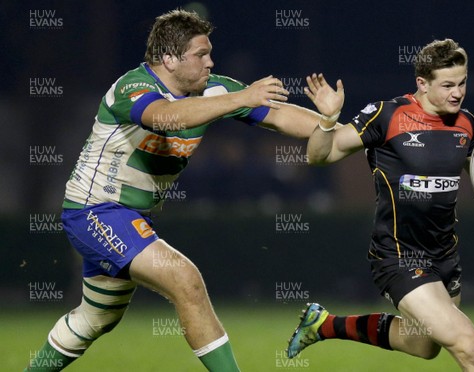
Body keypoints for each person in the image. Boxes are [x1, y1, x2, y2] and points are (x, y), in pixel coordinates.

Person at [26, 9, 326, 372]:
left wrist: (342, 127)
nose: (210, 62)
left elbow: (280, 115)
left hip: (131, 217)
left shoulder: (213, 89)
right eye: (201, 54)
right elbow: (166, 117)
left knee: (95, 320)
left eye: (209, 53)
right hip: (95, 210)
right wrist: (241, 98)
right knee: (185, 280)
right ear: (169, 58)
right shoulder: (132, 86)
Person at [286, 39, 474, 372]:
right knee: (468, 344)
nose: (457, 92)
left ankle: (325, 324)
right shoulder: (386, 115)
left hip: (445, 257)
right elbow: (319, 156)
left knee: (423, 345)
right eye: (447, 85)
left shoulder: (467, 124)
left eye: (462, 83)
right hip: (398, 257)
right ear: (422, 83)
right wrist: (328, 120)